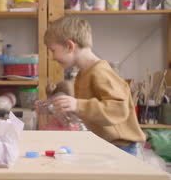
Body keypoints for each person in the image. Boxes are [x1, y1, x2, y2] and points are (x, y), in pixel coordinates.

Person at [43, 16, 146, 155]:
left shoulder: (100, 72)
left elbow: (119, 109)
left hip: (122, 148)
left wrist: (77, 105)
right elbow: (91, 111)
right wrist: (55, 107)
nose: (53, 57)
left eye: (53, 50)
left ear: (70, 46)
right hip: (107, 145)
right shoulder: (82, 74)